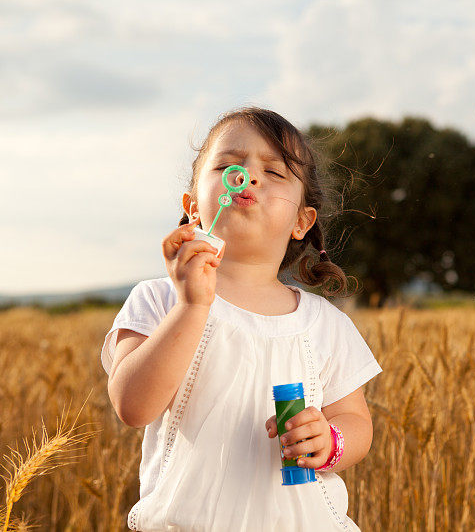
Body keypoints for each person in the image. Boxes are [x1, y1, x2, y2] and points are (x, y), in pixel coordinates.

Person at [100, 106, 383, 531]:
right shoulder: (159, 299)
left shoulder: (327, 324)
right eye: (231, 165)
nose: (249, 176)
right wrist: (191, 307)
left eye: (273, 172)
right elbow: (132, 406)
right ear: (193, 206)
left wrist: (330, 440)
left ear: (302, 221)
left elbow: (358, 422)